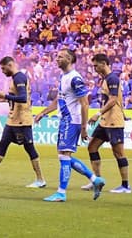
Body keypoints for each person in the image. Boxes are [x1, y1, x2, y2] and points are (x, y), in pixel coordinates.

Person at [33, 48, 102, 202]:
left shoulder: (75, 78)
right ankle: (94, 179)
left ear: (70, 59)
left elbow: (85, 104)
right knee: (63, 156)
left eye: (61, 56)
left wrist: (84, 128)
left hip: (72, 121)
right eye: (57, 56)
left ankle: (61, 192)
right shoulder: (63, 77)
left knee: (64, 156)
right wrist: (43, 112)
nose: (57, 58)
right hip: (66, 120)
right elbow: (60, 99)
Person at [0, 56, 46, 188]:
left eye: (4, 69)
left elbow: (23, 98)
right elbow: (17, 98)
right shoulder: (14, 79)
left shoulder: (19, 78)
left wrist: (5, 96)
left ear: (10, 65)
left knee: (29, 148)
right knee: (2, 144)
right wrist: (6, 100)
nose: (3, 72)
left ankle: (40, 179)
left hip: (22, 120)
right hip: (12, 120)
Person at [85, 53, 130, 193]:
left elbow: (113, 100)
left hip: (113, 122)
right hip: (105, 121)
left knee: (118, 153)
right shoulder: (105, 79)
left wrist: (98, 113)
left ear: (103, 63)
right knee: (92, 147)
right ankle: (97, 180)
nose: (94, 68)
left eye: (96, 65)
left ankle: (125, 186)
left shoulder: (112, 79)